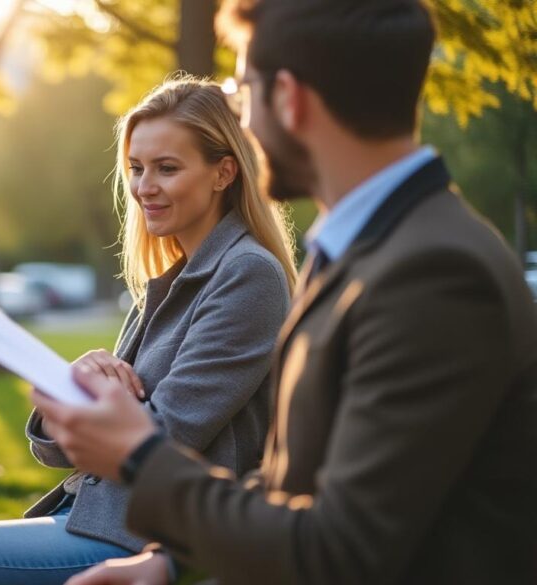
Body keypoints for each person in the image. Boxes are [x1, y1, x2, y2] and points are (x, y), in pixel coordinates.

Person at [33, 1, 537, 584]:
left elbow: (343, 550)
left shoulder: (434, 271)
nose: (242, 125)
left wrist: (139, 453)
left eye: (244, 95)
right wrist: (171, 565)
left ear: (290, 99)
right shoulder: (373, 248)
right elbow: (307, 488)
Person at [0, 78, 297, 585]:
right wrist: (75, 382)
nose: (144, 187)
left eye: (168, 168)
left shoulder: (247, 275)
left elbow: (162, 440)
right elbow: (57, 452)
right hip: (93, 517)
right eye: (136, 169)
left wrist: (90, 398)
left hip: (141, 539)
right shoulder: (172, 278)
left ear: (223, 172)